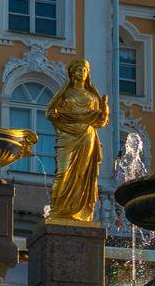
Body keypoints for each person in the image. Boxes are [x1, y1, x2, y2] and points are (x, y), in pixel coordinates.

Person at [45, 58, 109, 222]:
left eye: (85, 70)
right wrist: (55, 116)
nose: (82, 72)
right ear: (72, 73)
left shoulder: (92, 97)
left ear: (88, 74)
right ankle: (56, 210)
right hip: (67, 135)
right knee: (62, 173)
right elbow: (50, 113)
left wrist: (105, 112)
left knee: (82, 175)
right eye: (79, 69)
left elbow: (100, 122)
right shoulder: (64, 94)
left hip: (87, 136)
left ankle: (79, 213)